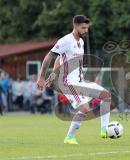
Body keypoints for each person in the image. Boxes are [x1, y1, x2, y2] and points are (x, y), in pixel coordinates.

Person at [36, 15, 111, 144]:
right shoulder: (65, 40)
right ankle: (69, 137)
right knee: (85, 109)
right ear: (75, 26)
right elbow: (50, 56)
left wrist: (53, 74)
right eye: (83, 28)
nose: (86, 30)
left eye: (87, 28)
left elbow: (61, 59)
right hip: (69, 83)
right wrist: (42, 78)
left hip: (80, 81)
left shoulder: (80, 42)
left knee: (106, 96)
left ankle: (104, 130)